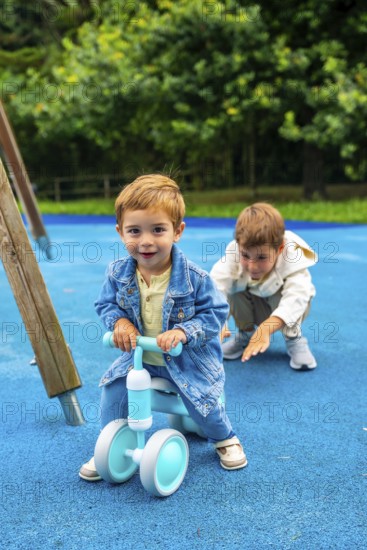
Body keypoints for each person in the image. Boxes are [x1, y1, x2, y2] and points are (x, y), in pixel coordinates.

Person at [79, 174, 247, 481]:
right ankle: (112, 441)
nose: (145, 241)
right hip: (141, 357)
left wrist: (184, 332)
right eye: (134, 231)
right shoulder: (118, 274)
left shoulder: (195, 279)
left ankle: (225, 438)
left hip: (187, 360)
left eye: (158, 230)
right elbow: (106, 304)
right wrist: (120, 322)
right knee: (113, 390)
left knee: (202, 404)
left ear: (177, 231)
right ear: (120, 232)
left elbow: (217, 313)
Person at [210, 202, 317, 370]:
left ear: (280, 248)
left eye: (261, 258)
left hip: (287, 308)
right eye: (245, 255)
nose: (252, 266)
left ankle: (294, 339)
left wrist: (266, 329)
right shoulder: (233, 253)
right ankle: (245, 336)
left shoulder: (293, 257)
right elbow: (216, 287)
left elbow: (296, 298)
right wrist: (218, 320)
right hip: (257, 305)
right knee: (233, 291)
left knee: (288, 295)